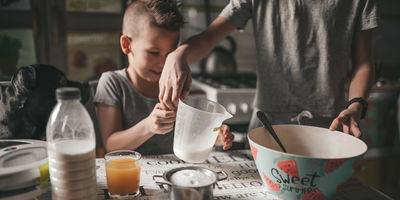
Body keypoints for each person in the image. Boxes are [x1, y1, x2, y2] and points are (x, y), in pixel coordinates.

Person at [159, 0, 378, 138]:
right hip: (268, 127)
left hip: (328, 127)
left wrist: (356, 104)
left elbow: (364, 63)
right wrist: (179, 54)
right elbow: (208, 38)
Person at [94, 0, 234, 155]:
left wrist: (212, 138)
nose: (164, 63)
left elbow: (186, 136)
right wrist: (148, 127)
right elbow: (111, 146)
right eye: (154, 53)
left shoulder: (174, 82)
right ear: (127, 44)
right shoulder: (112, 83)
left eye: (171, 54)